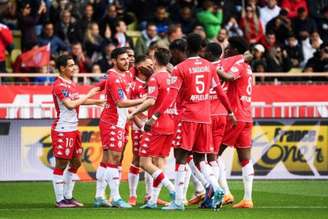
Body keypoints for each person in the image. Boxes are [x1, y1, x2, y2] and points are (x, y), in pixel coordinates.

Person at [144, 33, 235, 210]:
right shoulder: (209, 66)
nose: (173, 56)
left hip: (187, 118)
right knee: (201, 157)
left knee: (181, 158)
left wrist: (155, 116)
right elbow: (220, 92)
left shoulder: (180, 68)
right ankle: (214, 187)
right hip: (205, 118)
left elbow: (171, 96)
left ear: (184, 49)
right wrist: (230, 111)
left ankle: (178, 201)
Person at [93, 47, 146, 208]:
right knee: (114, 159)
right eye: (122, 59)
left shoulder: (128, 74)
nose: (127, 60)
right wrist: (144, 100)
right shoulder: (114, 77)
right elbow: (121, 102)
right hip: (112, 122)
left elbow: (100, 85)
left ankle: (99, 196)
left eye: (129, 57)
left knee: (107, 159)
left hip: (120, 122)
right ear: (114, 61)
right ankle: (115, 197)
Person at [51, 54, 104, 208]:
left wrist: (97, 101)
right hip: (63, 129)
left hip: (73, 129)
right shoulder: (59, 85)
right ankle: (60, 200)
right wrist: (88, 94)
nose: (74, 67)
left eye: (74, 64)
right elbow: (69, 104)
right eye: (70, 65)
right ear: (62, 68)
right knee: (61, 164)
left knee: (76, 162)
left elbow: (79, 100)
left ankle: (68, 197)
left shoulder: (71, 84)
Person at [128, 48, 177, 209]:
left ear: (155, 60)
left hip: (156, 125)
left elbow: (150, 101)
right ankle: (153, 200)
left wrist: (133, 113)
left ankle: (173, 190)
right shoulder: (171, 77)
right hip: (171, 123)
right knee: (160, 162)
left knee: (144, 162)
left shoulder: (155, 78)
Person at [217, 37, 255, 208]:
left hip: (235, 116)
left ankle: (225, 193)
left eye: (228, 48)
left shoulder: (238, 65)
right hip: (247, 116)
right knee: (245, 159)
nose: (226, 51)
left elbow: (229, 77)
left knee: (213, 153)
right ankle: (247, 199)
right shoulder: (248, 67)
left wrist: (213, 68)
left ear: (233, 50)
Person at [204, 42, 234, 205]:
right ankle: (225, 192)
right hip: (222, 113)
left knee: (198, 157)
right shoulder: (225, 67)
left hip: (206, 115)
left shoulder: (206, 68)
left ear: (208, 53)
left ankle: (213, 191)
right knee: (214, 156)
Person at [127, 55, 155, 206]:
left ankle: (150, 195)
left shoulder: (153, 81)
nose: (151, 67)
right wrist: (139, 123)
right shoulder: (132, 85)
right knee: (137, 159)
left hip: (152, 125)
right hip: (139, 125)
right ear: (139, 67)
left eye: (152, 65)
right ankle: (132, 195)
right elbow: (128, 106)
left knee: (150, 160)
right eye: (148, 65)